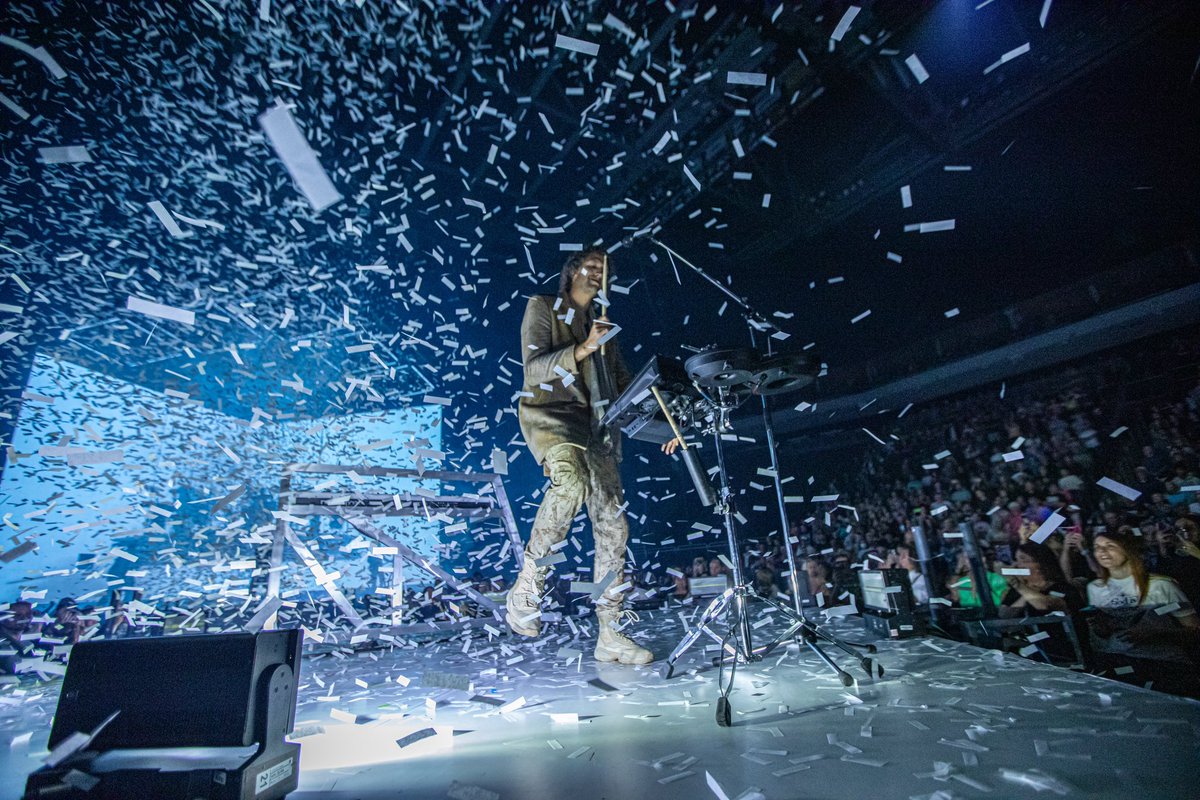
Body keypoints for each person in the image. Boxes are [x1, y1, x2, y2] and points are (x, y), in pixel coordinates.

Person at [506, 247, 671, 665]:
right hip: (552, 418)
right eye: (591, 265)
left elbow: (624, 385)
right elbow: (534, 368)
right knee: (572, 483)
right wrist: (583, 347)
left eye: (605, 269)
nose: (599, 272)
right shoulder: (542, 306)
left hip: (598, 429)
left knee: (614, 525)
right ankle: (528, 583)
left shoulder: (604, 325)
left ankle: (611, 632)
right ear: (572, 271)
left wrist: (666, 422)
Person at [1086, 531, 1199, 695]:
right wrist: (1100, 628)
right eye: (1097, 547)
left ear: (1128, 550)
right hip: (1115, 663)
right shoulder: (1095, 588)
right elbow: (1102, 636)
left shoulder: (1161, 585)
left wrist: (1155, 634)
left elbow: (1195, 631)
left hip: (1161, 664)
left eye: (1110, 546)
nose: (1102, 552)